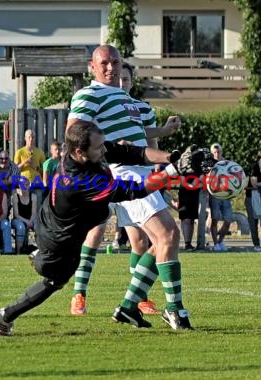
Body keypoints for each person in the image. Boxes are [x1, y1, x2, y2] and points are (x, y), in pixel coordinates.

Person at [0, 121, 199, 336]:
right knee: (55, 280)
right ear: (79, 152)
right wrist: (175, 169)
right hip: (60, 241)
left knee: (103, 213)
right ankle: (4, 315)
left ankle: (38, 263)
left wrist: (173, 158)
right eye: (99, 147)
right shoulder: (79, 180)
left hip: (52, 219)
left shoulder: (87, 152)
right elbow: (135, 191)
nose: (104, 149)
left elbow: (130, 152)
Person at [66, 45, 189, 329]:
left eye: (116, 63)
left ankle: (129, 306)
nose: (111, 68)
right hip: (121, 173)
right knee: (167, 233)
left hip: (140, 173)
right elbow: (74, 134)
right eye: (105, 63)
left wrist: (165, 144)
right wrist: (98, 163)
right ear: (92, 66)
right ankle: (175, 310)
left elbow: (143, 138)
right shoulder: (88, 94)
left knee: (158, 241)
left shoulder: (131, 102)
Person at [208, 143, 233, 252]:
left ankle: (220, 241)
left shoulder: (227, 163)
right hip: (214, 195)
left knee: (228, 220)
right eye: (214, 152)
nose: (217, 154)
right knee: (215, 219)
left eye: (218, 152)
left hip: (226, 195)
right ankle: (215, 243)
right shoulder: (209, 164)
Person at [14, 130, 46, 211]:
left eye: (32, 137)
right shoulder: (20, 152)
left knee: (38, 207)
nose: (31, 139)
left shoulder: (39, 152)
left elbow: (45, 171)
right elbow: (14, 170)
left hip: (37, 183)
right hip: (24, 184)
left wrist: (36, 167)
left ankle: (37, 223)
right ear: (25, 138)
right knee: (24, 208)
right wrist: (25, 162)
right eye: (29, 137)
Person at [11, 180, 37, 254]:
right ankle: (19, 251)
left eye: (26, 184)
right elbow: (16, 215)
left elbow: (34, 213)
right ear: (19, 186)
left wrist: (30, 221)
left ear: (29, 185)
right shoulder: (15, 196)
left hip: (31, 219)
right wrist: (27, 222)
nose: (24, 186)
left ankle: (40, 251)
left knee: (38, 226)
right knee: (21, 226)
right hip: (18, 219)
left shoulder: (33, 196)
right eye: (22, 185)